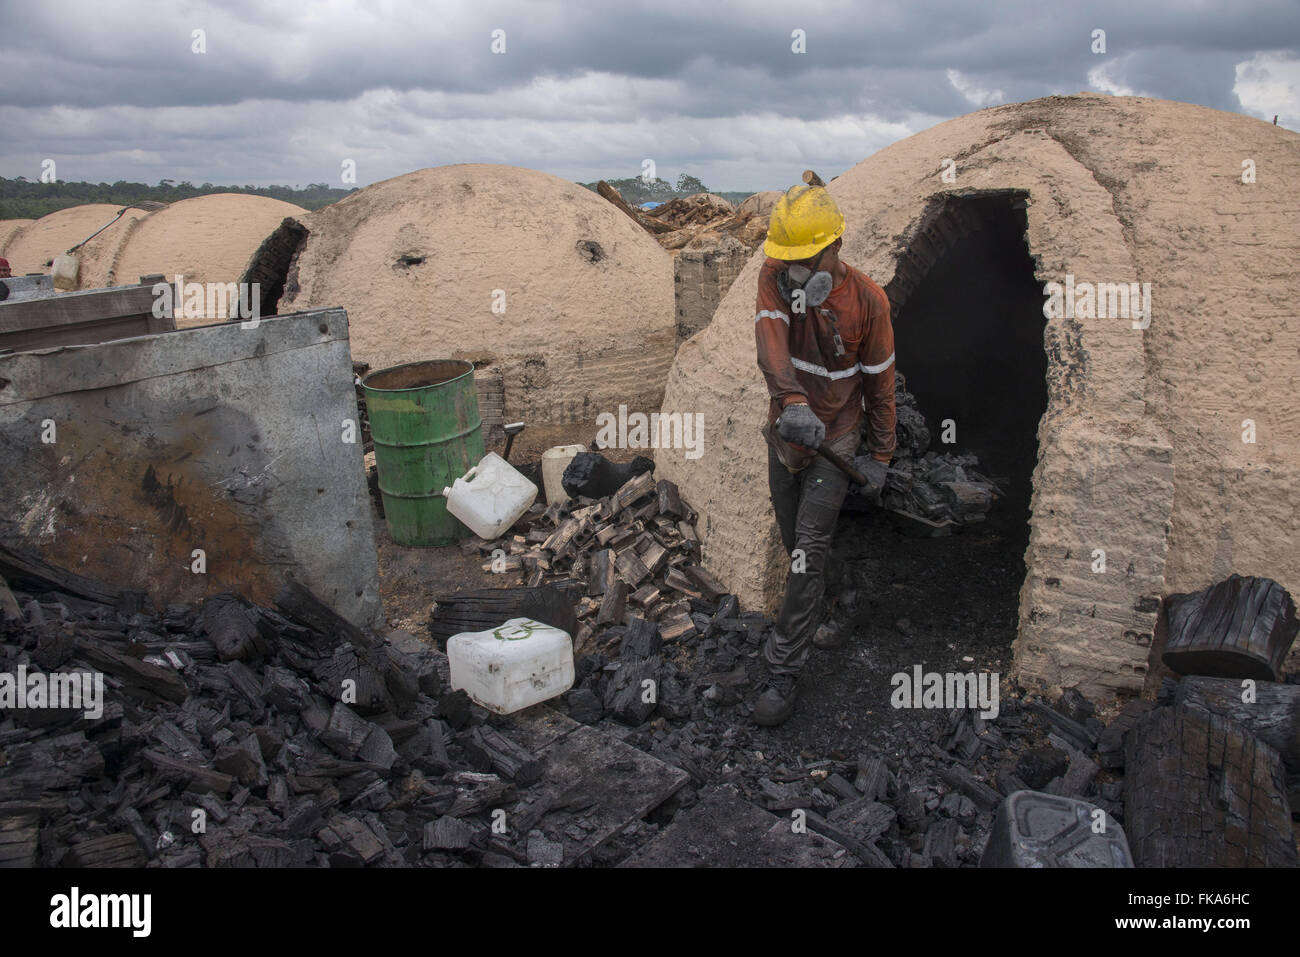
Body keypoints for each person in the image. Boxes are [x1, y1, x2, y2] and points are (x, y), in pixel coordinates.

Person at [751, 184, 897, 726]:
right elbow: (771, 344)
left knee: (808, 550)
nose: (794, 273)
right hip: (786, 433)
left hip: (837, 439)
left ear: (835, 247)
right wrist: (791, 402)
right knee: (795, 544)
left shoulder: (869, 303)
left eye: (805, 261)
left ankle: (783, 671)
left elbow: (880, 386)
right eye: (787, 261)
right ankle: (846, 597)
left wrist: (880, 456)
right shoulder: (773, 276)